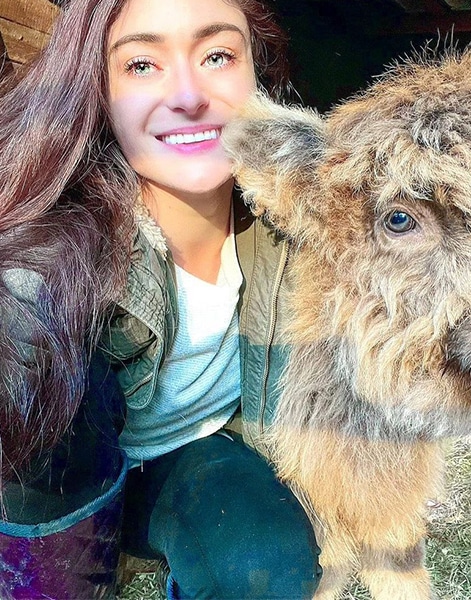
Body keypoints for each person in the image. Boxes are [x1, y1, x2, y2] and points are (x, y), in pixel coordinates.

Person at [0, 0, 321, 598]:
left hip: (194, 460)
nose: (188, 95)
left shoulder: (302, 219)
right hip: (63, 494)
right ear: (99, 91)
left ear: (258, 70)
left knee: (267, 564)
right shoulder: (53, 251)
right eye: (142, 64)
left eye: (217, 55)